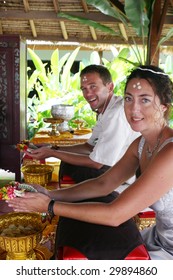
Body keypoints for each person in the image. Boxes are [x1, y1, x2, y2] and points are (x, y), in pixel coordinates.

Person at [8, 65, 173, 260]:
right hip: (158, 237)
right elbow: (103, 183)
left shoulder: (169, 152)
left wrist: (50, 205)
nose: (134, 109)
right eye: (128, 98)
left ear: (164, 106)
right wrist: (50, 193)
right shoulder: (142, 143)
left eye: (144, 100)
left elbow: (115, 215)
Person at [26, 64, 139, 184]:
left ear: (110, 87)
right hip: (109, 166)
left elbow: (97, 163)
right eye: (84, 89)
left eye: (93, 87)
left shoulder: (116, 113)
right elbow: (88, 147)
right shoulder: (106, 109)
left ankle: (57, 199)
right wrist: (53, 148)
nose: (88, 94)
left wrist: (52, 153)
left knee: (69, 164)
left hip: (121, 175)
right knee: (67, 161)